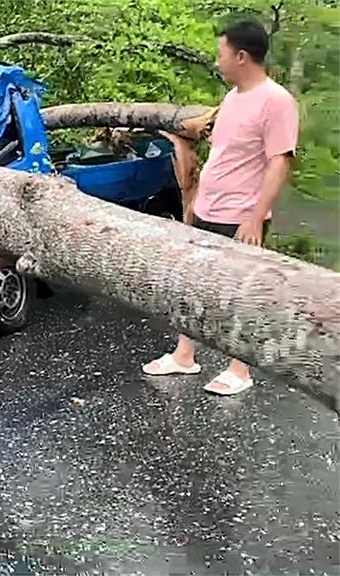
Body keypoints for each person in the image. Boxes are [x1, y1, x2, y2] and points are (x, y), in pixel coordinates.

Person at [143, 20, 298, 396]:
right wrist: (195, 200)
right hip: (209, 208)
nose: (218, 61)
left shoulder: (276, 101)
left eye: (221, 54)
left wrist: (257, 215)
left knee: (239, 293)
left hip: (241, 215)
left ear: (242, 56)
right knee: (190, 283)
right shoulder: (232, 97)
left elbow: (280, 160)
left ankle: (239, 369)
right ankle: (184, 355)